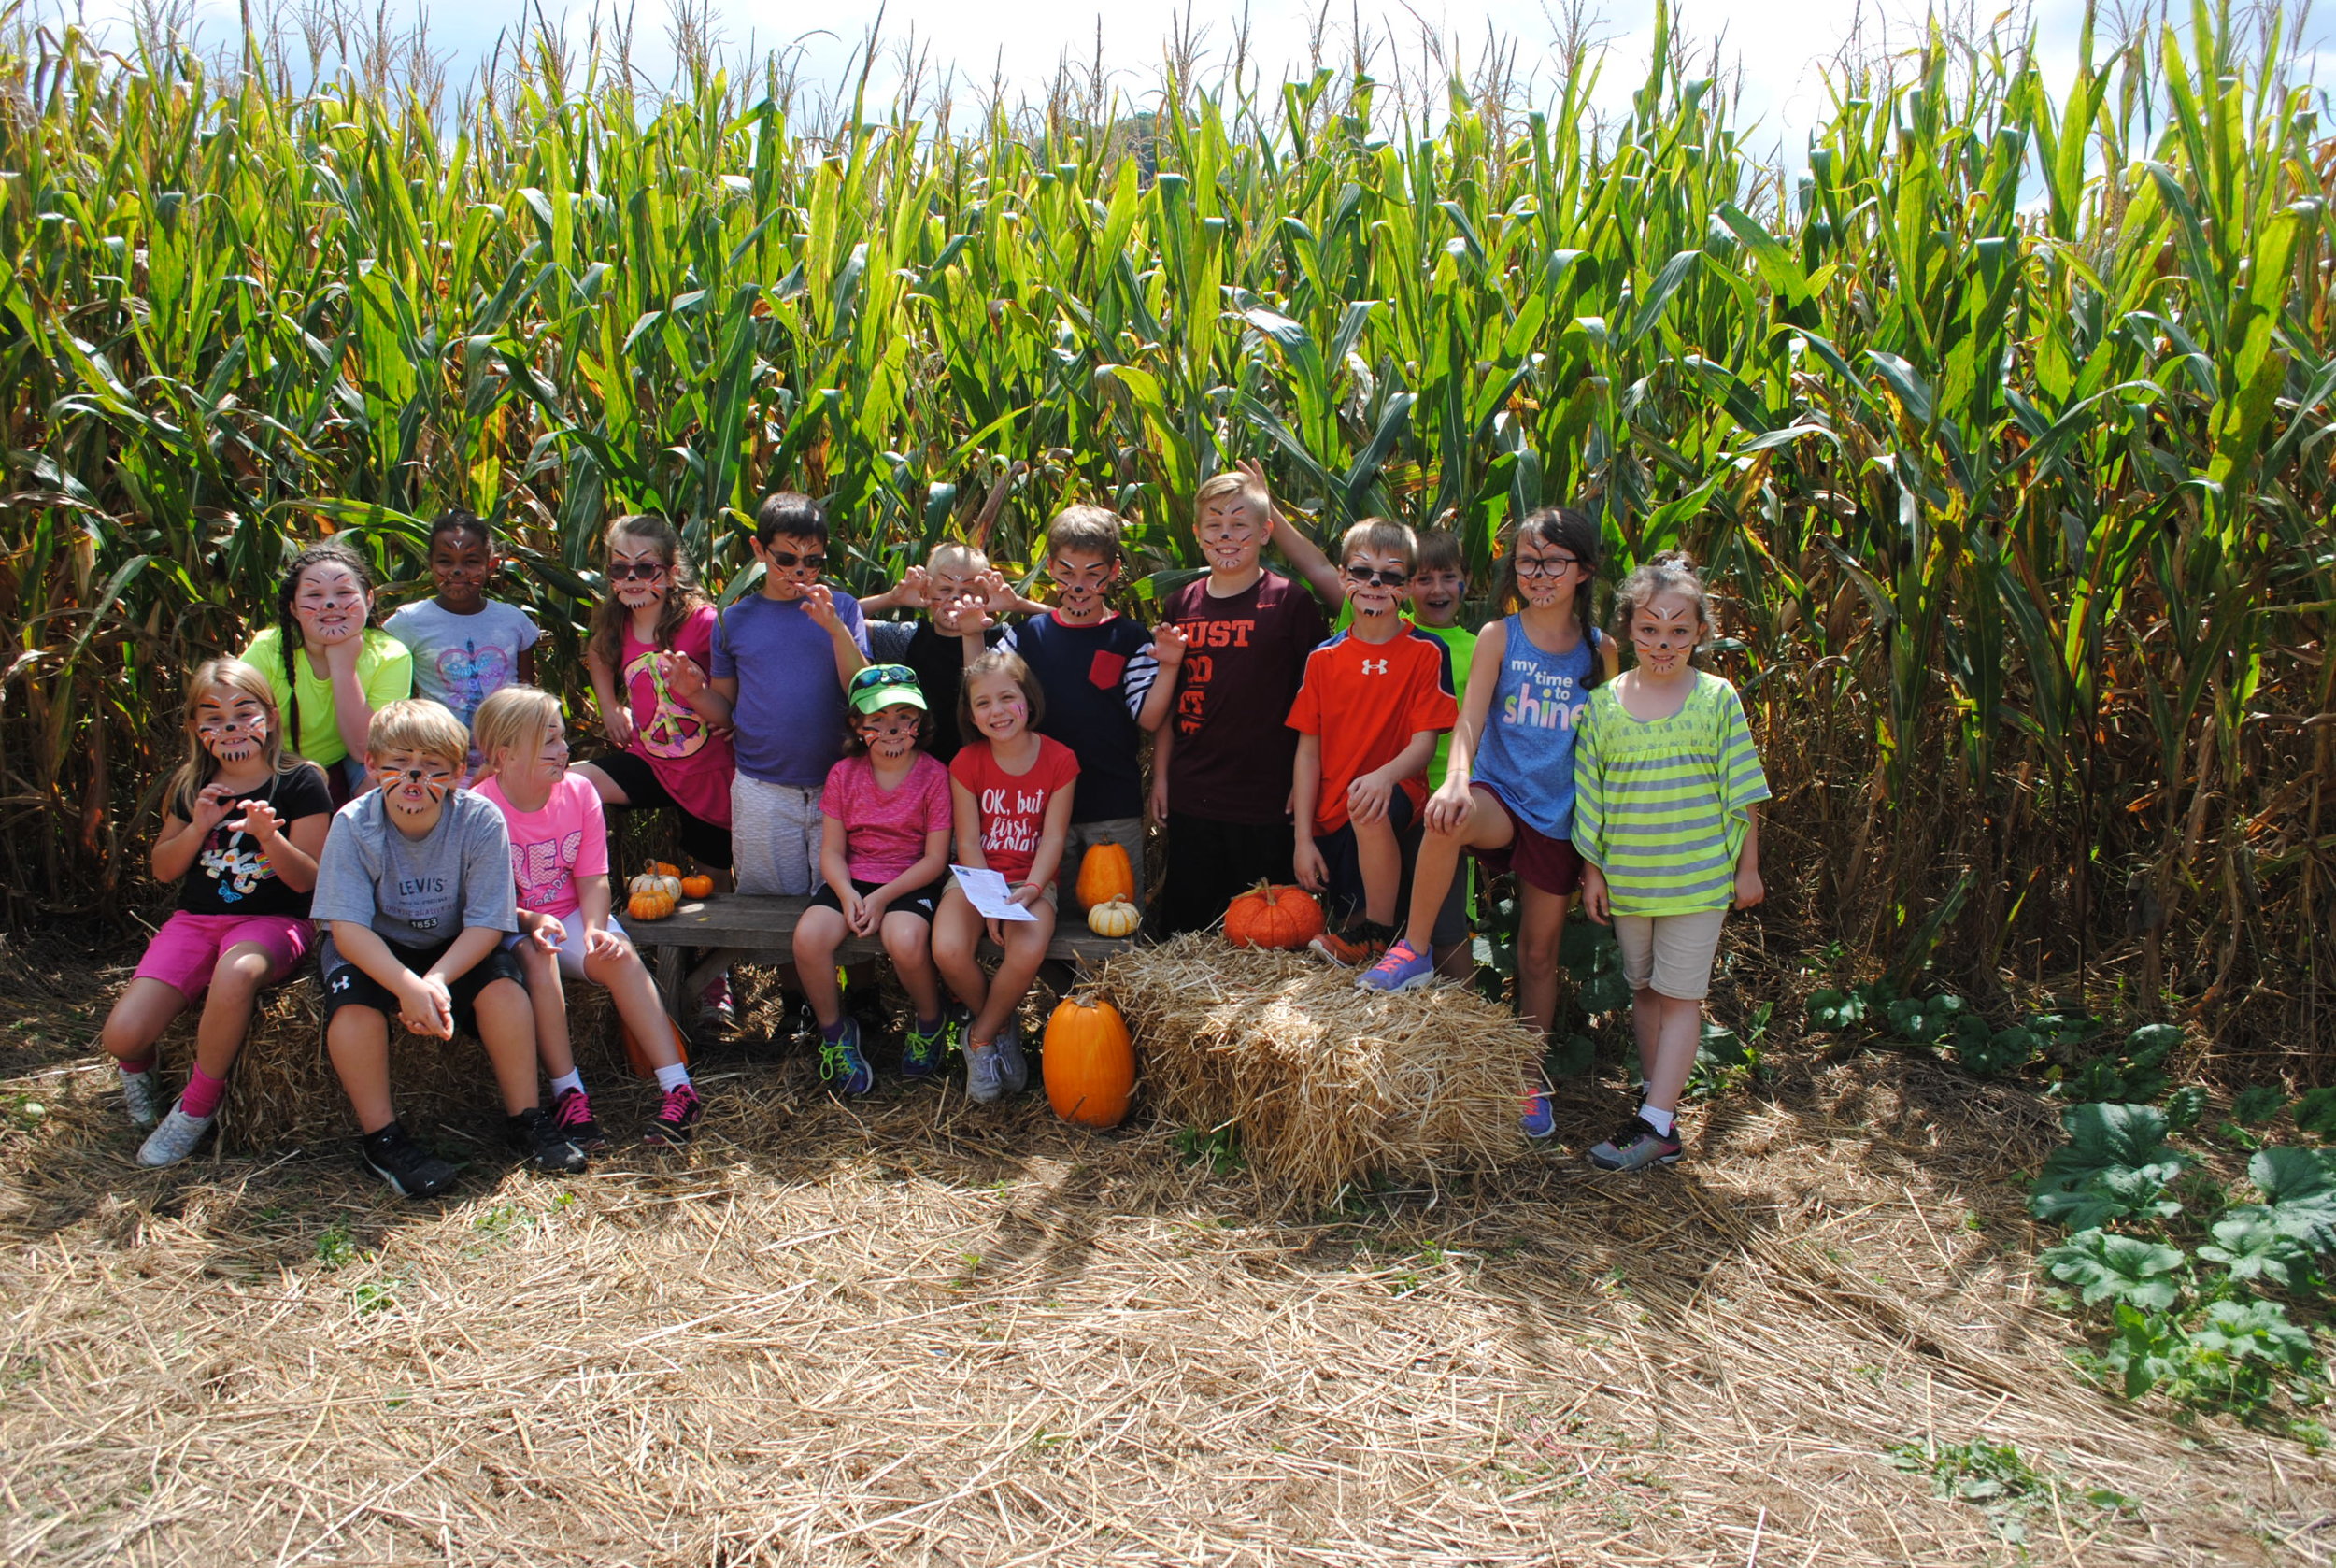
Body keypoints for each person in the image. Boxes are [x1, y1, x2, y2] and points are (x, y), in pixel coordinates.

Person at [1357, 509, 1617, 1140]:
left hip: (1561, 815)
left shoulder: (1599, 650)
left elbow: (1607, 751)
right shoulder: (1502, 636)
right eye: (1528, 562)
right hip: (1500, 796)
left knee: (1538, 953)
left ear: (1582, 571)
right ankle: (1414, 948)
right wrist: (1455, 778)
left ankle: (1531, 1080)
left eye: (1555, 562)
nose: (1540, 574)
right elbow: (1468, 720)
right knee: (1445, 819)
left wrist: (1596, 858)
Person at [310, 699, 588, 1198]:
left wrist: (434, 982)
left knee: (506, 994)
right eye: (397, 764)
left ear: (460, 772)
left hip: (455, 940)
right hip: (376, 945)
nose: (413, 779)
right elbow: (347, 929)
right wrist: (405, 986)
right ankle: (383, 1138)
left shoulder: (480, 820)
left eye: (432, 767)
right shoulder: (353, 825)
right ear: (371, 765)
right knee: (355, 1015)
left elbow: (487, 922)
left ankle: (527, 1118)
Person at [1574, 551, 1770, 1173]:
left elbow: (1744, 792)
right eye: (1651, 630)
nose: (1664, 644)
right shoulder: (1604, 705)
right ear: (1629, 628)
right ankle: (1658, 1104)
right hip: (1631, 878)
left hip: (1697, 879)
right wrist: (1594, 871)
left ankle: (1655, 1124)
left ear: (1700, 633)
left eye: (1679, 631)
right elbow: (1592, 794)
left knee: (1680, 996)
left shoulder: (1716, 701)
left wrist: (1747, 868)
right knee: (1645, 993)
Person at [98, 660, 334, 1166]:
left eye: (242, 712)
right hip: (196, 922)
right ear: (194, 729)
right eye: (213, 716)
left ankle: (197, 1106)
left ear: (269, 717)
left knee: (238, 969)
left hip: (273, 923)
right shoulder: (190, 786)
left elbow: (309, 879)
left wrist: (269, 836)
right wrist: (198, 823)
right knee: (121, 1036)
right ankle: (144, 1079)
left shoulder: (300, 782)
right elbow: (164, 869)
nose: (229, 727)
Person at [470, 686, 704, 1147]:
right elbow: (483, 902)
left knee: (619, 955)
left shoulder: (578, 792)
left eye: (561, 739)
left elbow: (593, 877)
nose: (565, 751)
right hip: (507, 925)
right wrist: (531, 923)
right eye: (551, 742)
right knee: (539, 957)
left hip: (572, 914)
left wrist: (597, 929)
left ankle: (678, 1087)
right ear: (507, 754)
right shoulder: (482, 809)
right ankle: (568, 1093)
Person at [1288, 521, 1483, 974]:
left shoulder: (1427, 652)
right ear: (1343, 578)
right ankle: (1370, 942)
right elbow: (1307, 751)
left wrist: (1383, 776)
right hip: (1333, 811)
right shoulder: (1323, 659)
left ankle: (1378, 929)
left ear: (1408, 586)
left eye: (1391, 575)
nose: (1376, 584)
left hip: (1398, 797)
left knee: (1370, 808)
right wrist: (1302, 839)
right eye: (1363, 571)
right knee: (1338, 928)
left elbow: (1425, 741)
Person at [572, 514, 736, 1022]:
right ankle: (582, 907)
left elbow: (728, 711)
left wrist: (699, 697)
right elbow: (597, 657)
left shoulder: (703, 623)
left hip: (707, 772)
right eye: (620, 570)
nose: (632, 581)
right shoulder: (614, 621)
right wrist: (608, 707)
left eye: (645, 568)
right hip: (650, 759)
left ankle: (719, 978)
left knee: (717, 885)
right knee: (575, 784)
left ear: (670, 570)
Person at [1153, 468, 1331, 933]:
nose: (1225, 535)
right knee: (1188, 934)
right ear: (1197, 534)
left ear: (1264, 532)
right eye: (1213, 524)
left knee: (1267, 933)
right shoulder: (1180, 605)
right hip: (1195, 793)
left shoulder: (1290, 602)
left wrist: (1305, 782)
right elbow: (1172, 706)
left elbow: (1318, 703)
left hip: (1268, 798)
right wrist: (1161, 776)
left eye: (1238, 523)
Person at [685, 492, 870, 902]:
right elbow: (726, 712)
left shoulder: (842, 607)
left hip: (838, 781)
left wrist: (835, 629)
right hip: (761, 787)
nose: (799, 571)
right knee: (771, 908)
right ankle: (787, 971)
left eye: (813, 561)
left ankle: (852, 970)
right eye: (786, 559)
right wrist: (691, 693)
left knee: (845, 900)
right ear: (758, 549)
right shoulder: (733, 620)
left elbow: (861, 692)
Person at [999, 506, 1179, 919]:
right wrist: (974, 631)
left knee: (1115, 920)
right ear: (1049, 568)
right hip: (1038, 812)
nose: (1078, 586)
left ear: (1114, 572)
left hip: (1110, 806)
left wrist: (1168, 666)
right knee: (1051, 920)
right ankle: (1065, 988)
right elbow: (981, 695)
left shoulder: (1130, 638)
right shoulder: (1025, 637)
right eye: (1066, 573)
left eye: (1092, 574)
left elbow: (1149, 719)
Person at [792, 665, 954, 1093]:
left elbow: (935, 859)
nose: (893, 729)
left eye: (904, 716)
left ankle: (930, 1021)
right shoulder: (844, 775)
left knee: (905, 939)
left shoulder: (935, 776)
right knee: (808, 939)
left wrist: (882, 898)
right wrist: (846, 894)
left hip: (909, 880)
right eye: (878, 720)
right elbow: (831, 851)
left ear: (920, 722)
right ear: (857, 725)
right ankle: (835, 1034)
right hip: (853, 878)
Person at [933, 649, 1077, 1103]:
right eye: (983, 703)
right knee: (949, 948)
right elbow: (970, 843)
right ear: (971, 716)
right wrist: (988, 903)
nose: (996, 711)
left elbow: (1053, 838)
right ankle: (1000, 1025)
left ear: (1027, 700)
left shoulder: (1059, 760)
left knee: (1027, 947)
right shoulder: (966, 762)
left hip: (1032, 879)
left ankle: (979, 1039)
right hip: (976, 878)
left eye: (1006, 698)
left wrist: (1032, 889)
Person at [239, 540, 414, 803]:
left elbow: (365, 749)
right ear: (293, 608)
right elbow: (236, 728)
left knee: (385, 775)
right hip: (271, 764)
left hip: (342, 764)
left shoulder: (391, 655)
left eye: (344, 592)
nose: (331, 604)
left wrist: (343, 667)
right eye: (314, 595)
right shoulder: (266, 650)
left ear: (368, 599)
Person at [384, 509, 540, 769]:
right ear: (430, 564)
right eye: (445, 561)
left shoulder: (514, 622)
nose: (457, 571)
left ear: (490, 565)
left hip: (507, 761)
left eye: (470, 562)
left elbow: (528, 698)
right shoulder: (407, 623)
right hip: (440, 760)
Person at [860, 541, 1010, 764]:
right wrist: (892, 598)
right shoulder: (909, 637)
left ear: (984, 597)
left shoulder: (1002, 640)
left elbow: (1068, 624)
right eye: (945, 589)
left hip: (982, 768)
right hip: (921, 771)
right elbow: (837, 618)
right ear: (926, 591)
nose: (955, 599)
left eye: (967, 591)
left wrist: (1016, 604)